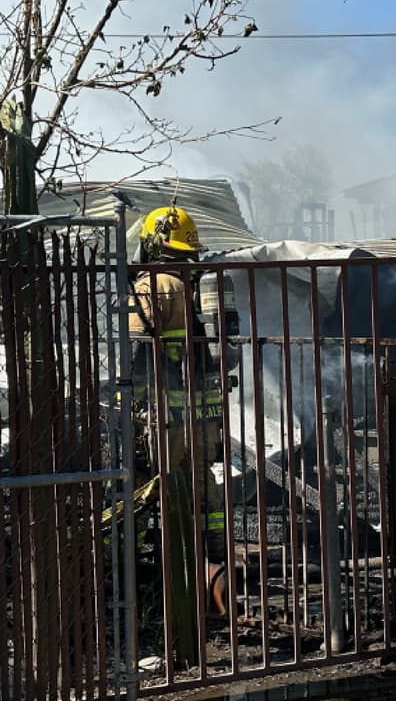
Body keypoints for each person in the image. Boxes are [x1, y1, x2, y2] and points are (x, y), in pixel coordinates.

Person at [128, 206, 227, 563]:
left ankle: (133, 559)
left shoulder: (153, 285)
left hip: (165, 411)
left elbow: (135, 353)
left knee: (145, 479)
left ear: (154, 244)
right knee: (201, 481)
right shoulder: (199, 281)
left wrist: (129, 402)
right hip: (204, 410)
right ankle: (212, 553)